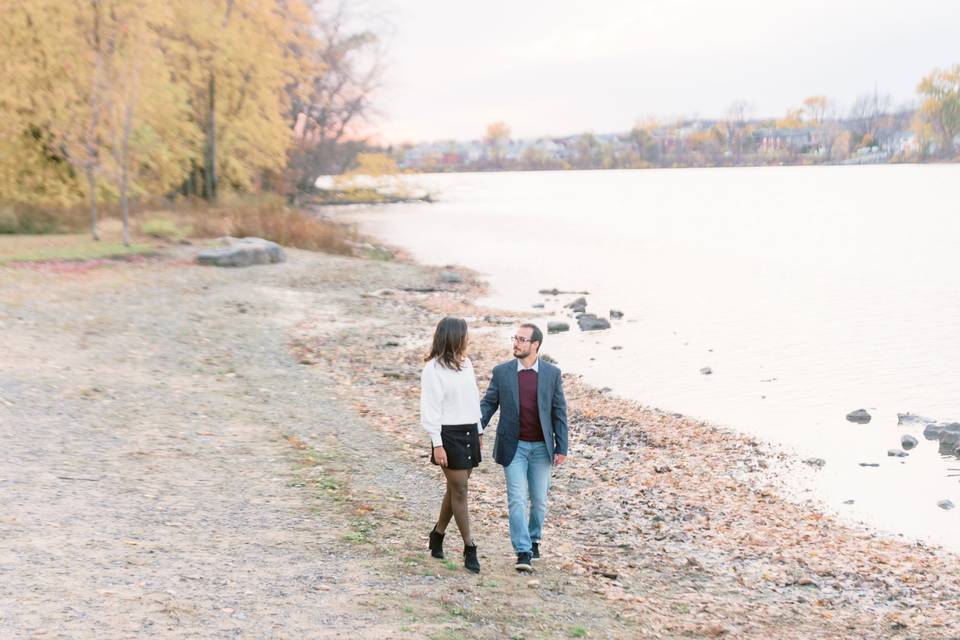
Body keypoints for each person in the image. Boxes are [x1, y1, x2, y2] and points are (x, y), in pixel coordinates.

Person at [480, 323, 568, 572]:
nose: (516, 343)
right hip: (513, 447)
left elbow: (559, 411)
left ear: (535, 345)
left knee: (539, 501)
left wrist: (562, 446)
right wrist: (475, 427)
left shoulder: (551, 374)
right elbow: (489, 404)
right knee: (517, 499)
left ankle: (534, 538)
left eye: (522, 339)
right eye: (515, 338)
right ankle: (523, 551)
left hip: (542, 448)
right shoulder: (502, 372)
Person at [420, 316, 483, 573]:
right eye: (465, 333)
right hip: (447, 435)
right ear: (454, 336)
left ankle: (437, 535)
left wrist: (479, 429)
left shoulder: (466, 363)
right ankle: (470, 547)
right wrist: (437, 444)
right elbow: (430, 409)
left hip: (469, 430)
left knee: (455, 489)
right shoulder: (432, 369)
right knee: (461, 489)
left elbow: (473, 397)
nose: (468, 338)